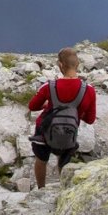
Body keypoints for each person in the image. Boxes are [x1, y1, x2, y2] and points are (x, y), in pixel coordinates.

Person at [27, 47, 97, 187]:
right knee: (64, 161)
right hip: (69, 132)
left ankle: (41, 189)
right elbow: (90, 119)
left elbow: (32, 106)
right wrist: (76, 112)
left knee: (41, 159)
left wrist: (47, 105)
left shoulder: (49, 86)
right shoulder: (89, 90)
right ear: (78, 64)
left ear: (60, 65)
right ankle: (63, 189)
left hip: (44, 130)